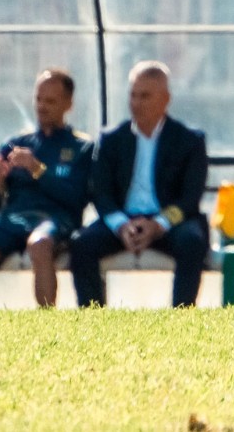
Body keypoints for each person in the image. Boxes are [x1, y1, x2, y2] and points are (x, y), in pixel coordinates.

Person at [70, 62, 210, 308]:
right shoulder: (111, 140)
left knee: (192, 242)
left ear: (165, 100)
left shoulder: (189, 141)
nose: (136, 102)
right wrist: (122, 226)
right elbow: (101, 193)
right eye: (133, 95)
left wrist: (158, 224)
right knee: (82, 244)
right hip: (123, 221)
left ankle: (182, 319)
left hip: (169, 222)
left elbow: (190, 198)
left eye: (144, 96)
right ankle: (92, 321)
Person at [0, 68, 92, 308]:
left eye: (50, 101)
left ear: (68, 104)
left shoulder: (81, 147)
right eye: (38, 99)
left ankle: (47, 323)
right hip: (13, 220)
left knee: (39, 244)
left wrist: (38, 170)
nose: (42, 106)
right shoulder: (16, 144)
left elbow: (76, 198)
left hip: (55, 220)